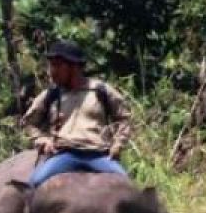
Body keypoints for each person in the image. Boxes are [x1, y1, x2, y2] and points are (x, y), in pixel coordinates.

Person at [21, 40, 131, 187]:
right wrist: (42, 140)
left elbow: (124, 118)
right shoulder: (52, 94)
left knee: (127, 185)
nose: (51, 71)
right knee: (34, 183)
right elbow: (28, 122)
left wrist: (118, 144)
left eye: (57, 65)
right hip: (65, 154)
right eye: (51, 65)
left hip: (98, 154)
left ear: (74, 67)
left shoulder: (100, 90)